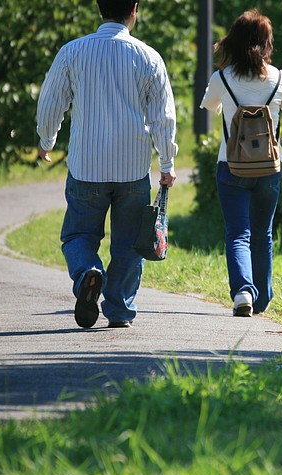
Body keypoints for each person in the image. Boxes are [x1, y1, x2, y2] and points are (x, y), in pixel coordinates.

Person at [36, 0, 178, 329]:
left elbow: (51, 101)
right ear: (134, 9)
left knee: (78, 235)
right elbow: (163, 116)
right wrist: (167, 162)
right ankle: (120, 309)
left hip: (86, 166)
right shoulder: (149, 57)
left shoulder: (72, 52)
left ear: (100, 8)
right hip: (133, 169)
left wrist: (46, 141)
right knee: (129, 244)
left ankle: (88, 272)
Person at [200, 9, 282, 317]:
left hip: (231, 166)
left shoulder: (222, 78)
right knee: (263, 234)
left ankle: (243, 291)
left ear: (234, 41)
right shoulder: (280, 79)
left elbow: (210, 105)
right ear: (266, 43)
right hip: (270, 168)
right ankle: (263, 296)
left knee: (238, 233)